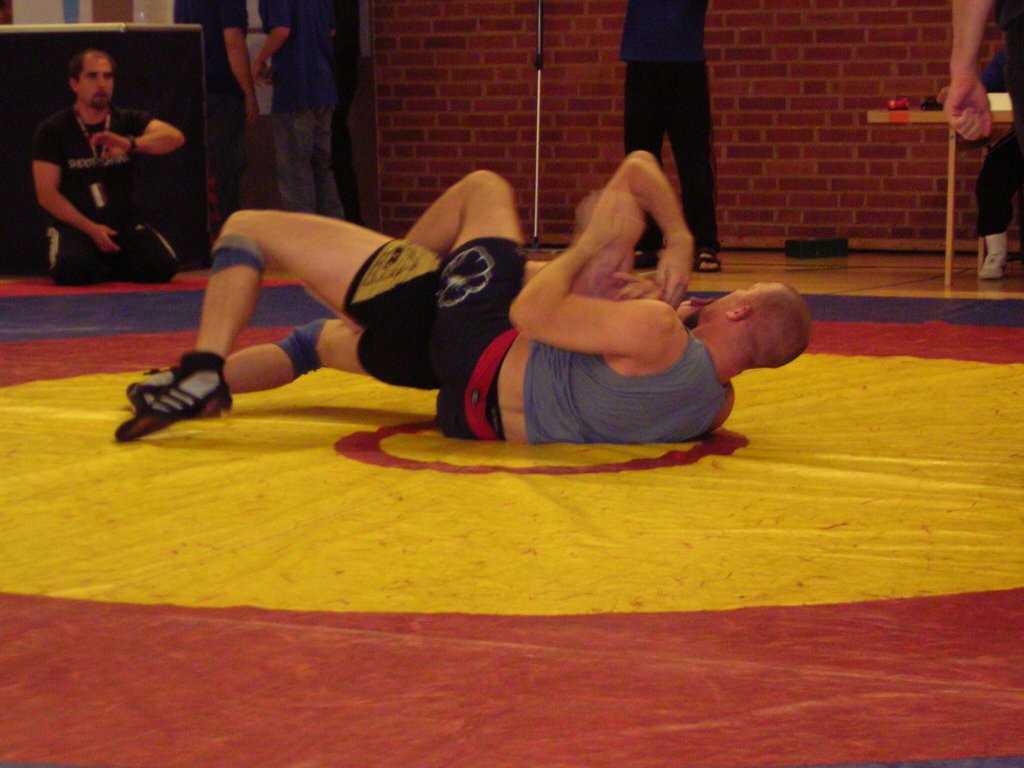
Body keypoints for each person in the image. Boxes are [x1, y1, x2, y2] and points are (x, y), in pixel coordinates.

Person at [115, 151, 810, 444]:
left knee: (483, 189)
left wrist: (588, 250)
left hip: (478, 336)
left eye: (739, 293)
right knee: (316, 343)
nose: (726, 293)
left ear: (740, 310)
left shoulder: (658, 329)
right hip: (462, 406)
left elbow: (531, 312)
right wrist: (640, 274)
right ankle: (189, 387)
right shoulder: (713, 408)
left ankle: (206, 364)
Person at [32, 49, 186, 286]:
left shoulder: (127, 120)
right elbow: (47, 194)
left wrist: (130, 144)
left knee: (162, 266)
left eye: (108, 76)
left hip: (122, 224)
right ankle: (98, 263)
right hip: (78, 226)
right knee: (71, 269)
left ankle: (106, 266)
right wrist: (92, 229)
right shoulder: (53, 129)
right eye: (92, 76)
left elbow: (175, 137)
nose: (102, 83)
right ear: (74, 83)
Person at [620, 0, 721, 273]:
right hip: (641, 60)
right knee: (640, 155)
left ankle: (704, 242)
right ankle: (648, 240)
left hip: (685, 63)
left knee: (693, 158)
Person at [253, 0, 345, 218]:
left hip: (295, 91)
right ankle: (335, 233)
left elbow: (281, 30)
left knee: (296, 176)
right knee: (322, 171)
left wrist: (259, 60)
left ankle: (304, 236)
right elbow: (330, 31)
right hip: (323, 86)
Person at [174, 0, 259, 233]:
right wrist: (249, 94)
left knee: (200, 175)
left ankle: (204, 239)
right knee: (226, 175)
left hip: (193, 90)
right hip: (223, 92)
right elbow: (233, 40)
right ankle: (227, 240)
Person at [975, 49, 1023, 278]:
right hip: (1021, 134)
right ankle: (996, 252)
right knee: (994, 173)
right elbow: (983, 89)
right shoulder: (1011, 54)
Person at [331, 0, 363, 225]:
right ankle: (351, 220)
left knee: (333, 153)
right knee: (337, 150)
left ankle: (347, 220)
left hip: (333, 68)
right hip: (344, 64)